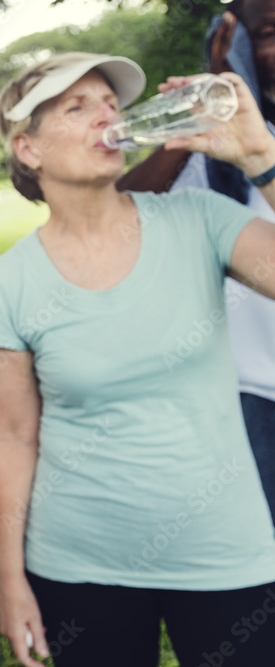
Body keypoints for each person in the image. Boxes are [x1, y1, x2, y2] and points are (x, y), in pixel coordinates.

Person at [0, 51, 275, 667]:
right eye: (76, 106)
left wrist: (262, 161)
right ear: (28, 149)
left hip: (224, 552)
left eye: (111, 104)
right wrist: (11, 580)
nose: (106, 116)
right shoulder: (9, 281)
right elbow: (10, 435)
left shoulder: (200, 221)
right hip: (79, 563)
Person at [117, 0, 275, 522]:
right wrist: (196, 109)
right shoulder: (218, 153)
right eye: (267, 33)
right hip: (253, 384)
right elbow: (121, 206)